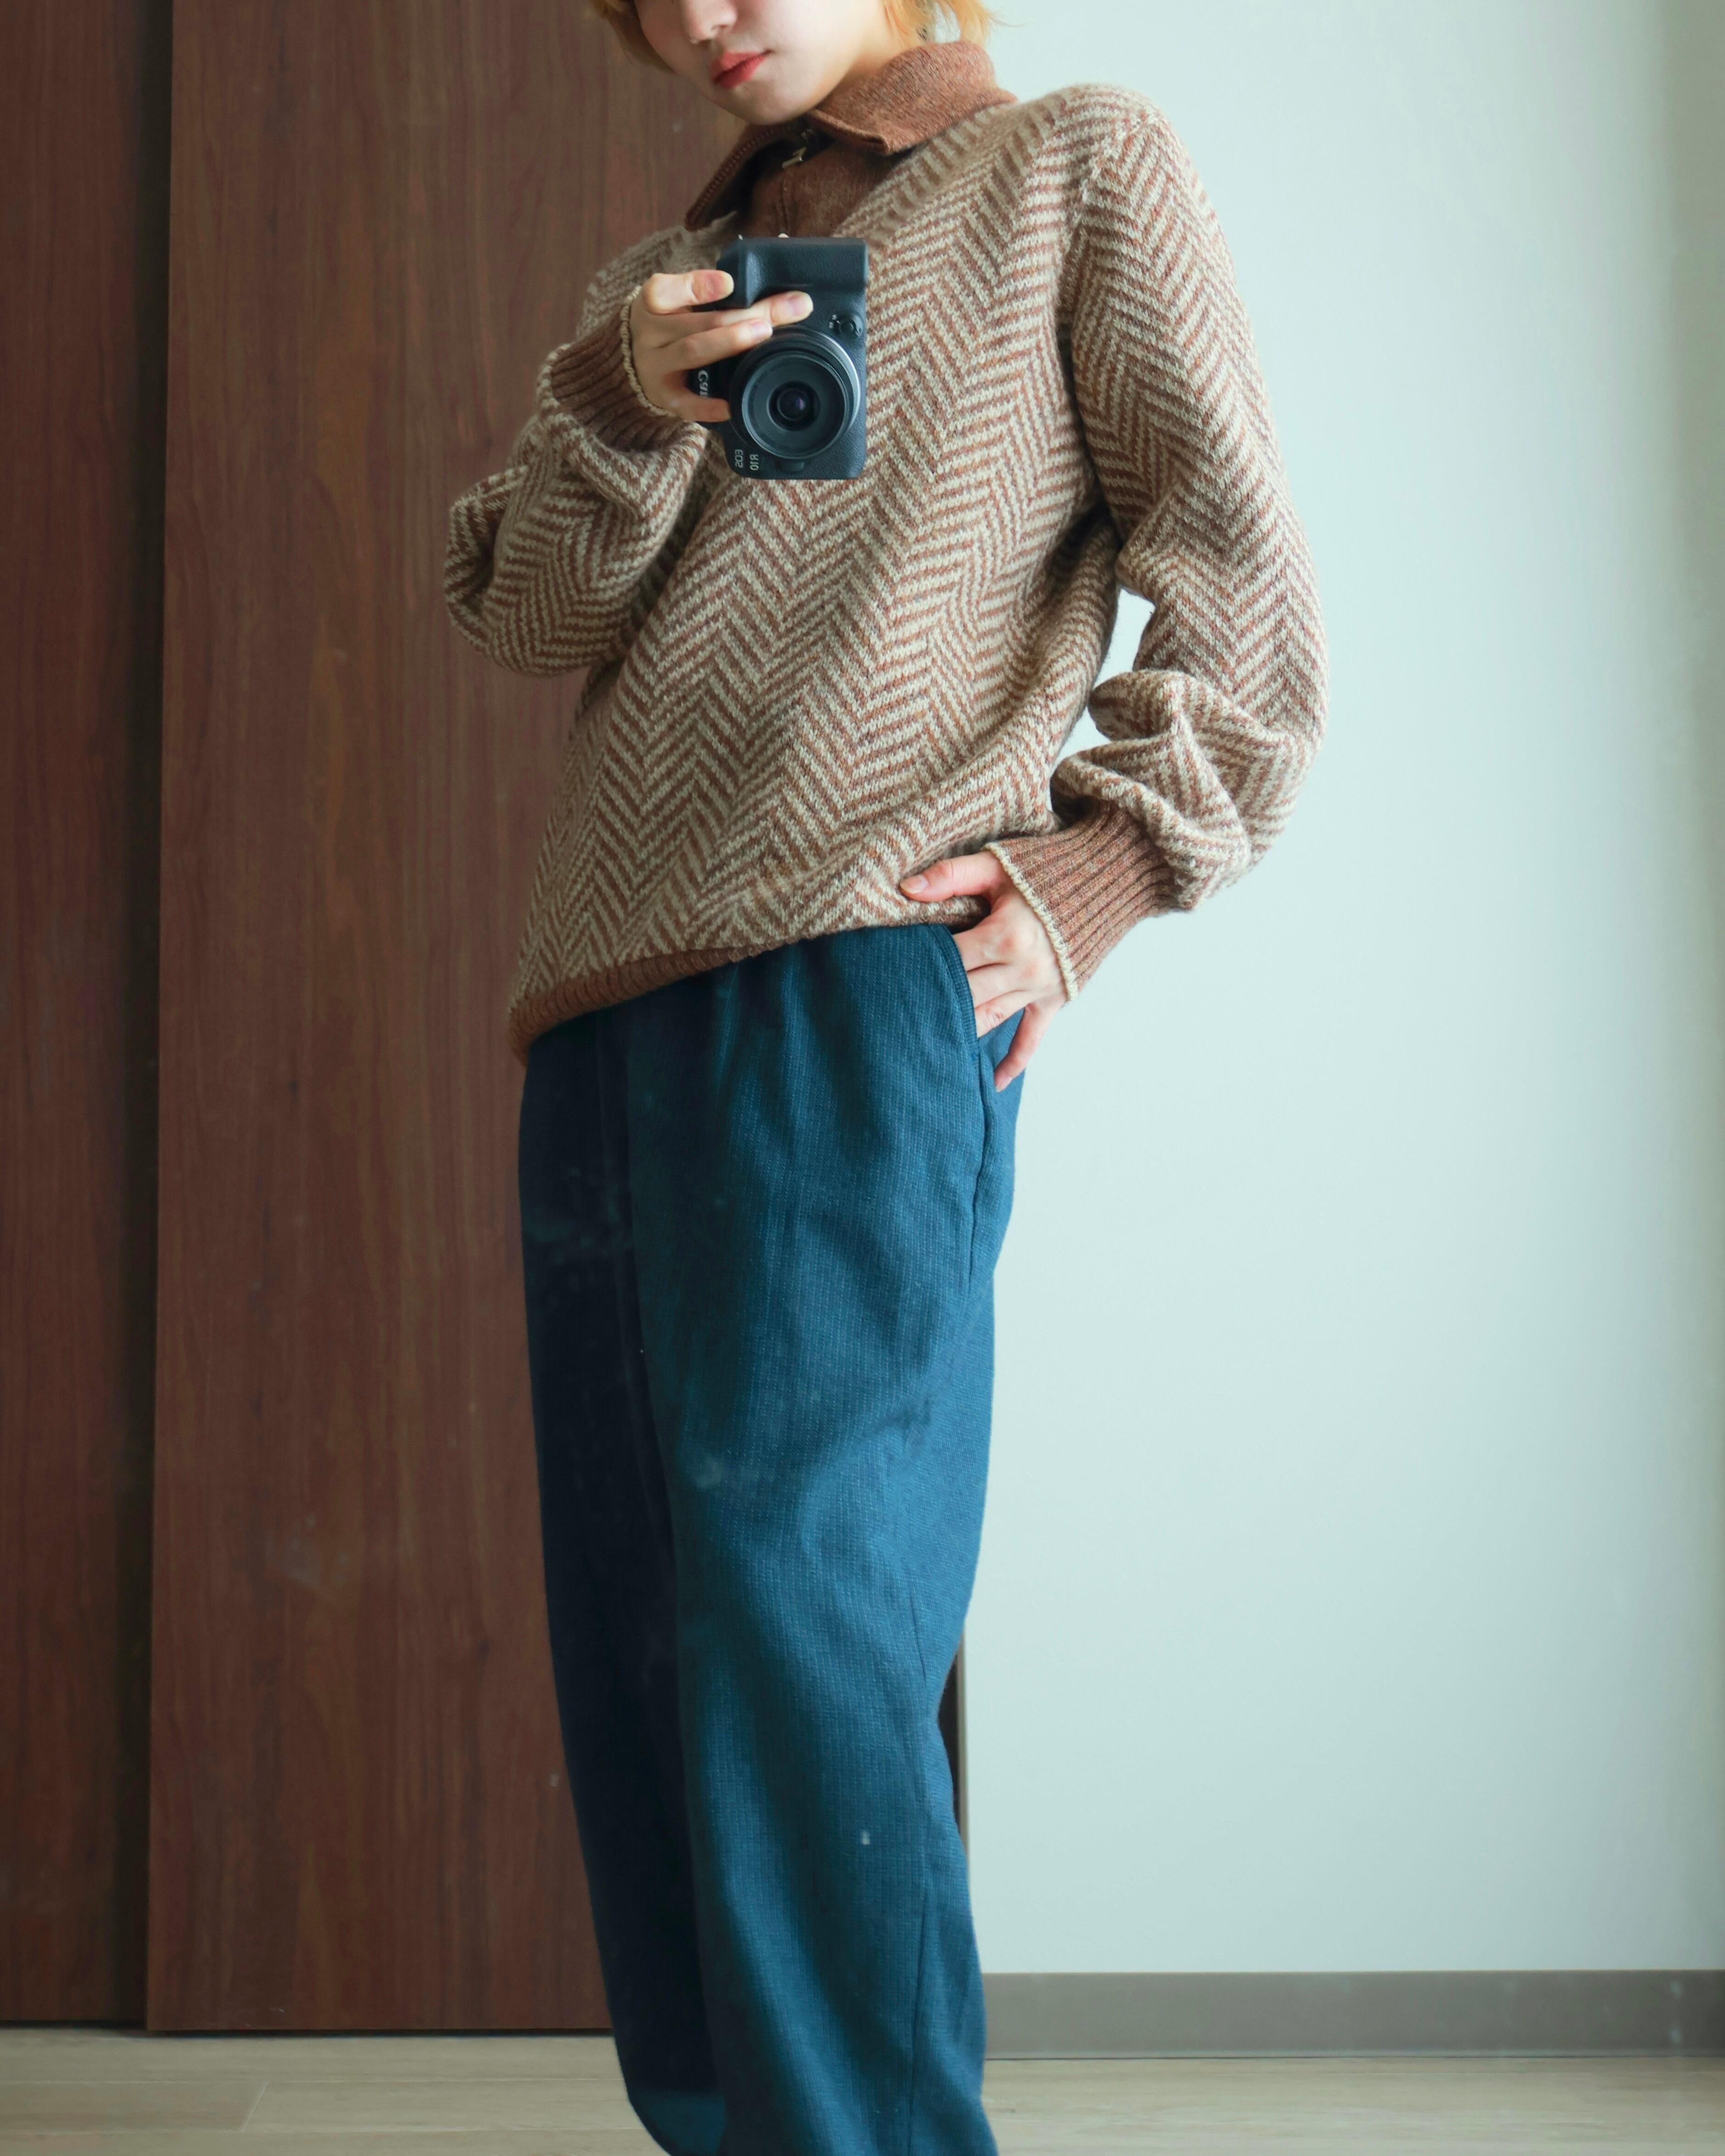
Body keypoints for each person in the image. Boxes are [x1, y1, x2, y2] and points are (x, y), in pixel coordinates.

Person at [444, 1, 1326, 2149]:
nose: (695, 17)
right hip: (604, 1009)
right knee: (650, 1640)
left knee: (807, 1617)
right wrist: (621, 394)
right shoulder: (674, 278)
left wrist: (1100, 873)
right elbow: (518, 610)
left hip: (849, 982)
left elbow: (1247, 588)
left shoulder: (1075, 169)